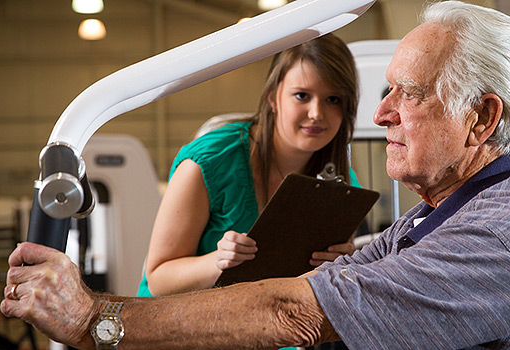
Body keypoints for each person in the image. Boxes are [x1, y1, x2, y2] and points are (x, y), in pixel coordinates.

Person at [0, 1, 510, 349]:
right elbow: (342, 278)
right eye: (383, 90)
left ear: (482, 119)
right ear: (273, 99)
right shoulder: (458, 206)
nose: (379, 113)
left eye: (407, 94)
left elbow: (297, 312)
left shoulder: (495, 234)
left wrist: (90, 320)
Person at [138, 33, 361, 297]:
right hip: (180, 327)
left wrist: (342, 263)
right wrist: (217, 261)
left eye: (333, 99)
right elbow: (158, 280)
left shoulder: (343, 184)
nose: (316, 113)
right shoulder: (209, 161)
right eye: (302, 95)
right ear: (272, 97)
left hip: (271, 330)